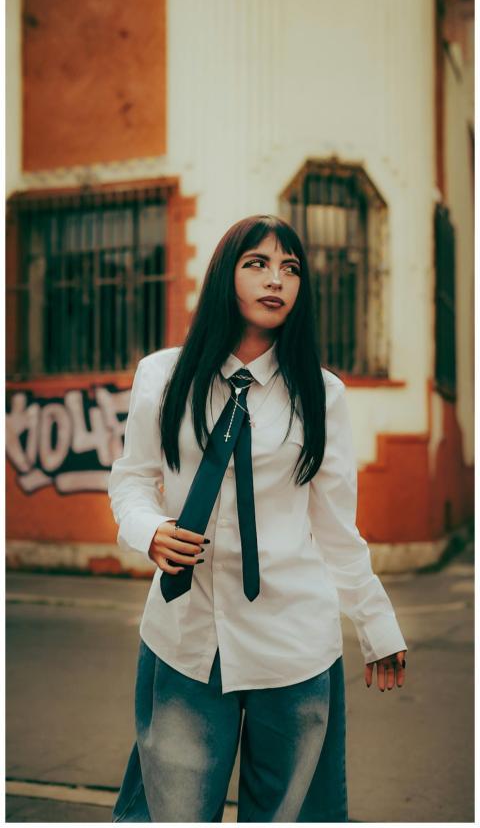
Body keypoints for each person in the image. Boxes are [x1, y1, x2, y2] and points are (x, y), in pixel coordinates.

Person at [108, 214, 408, 823]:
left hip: (293, 640)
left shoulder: (321, 395)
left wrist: (375, 621)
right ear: (227, 275)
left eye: (290, 268)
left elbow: (333, 525)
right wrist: (149, 532)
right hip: (186, 634)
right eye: (258, 264)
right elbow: (134, 479)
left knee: (289, 814)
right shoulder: (163, 377)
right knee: (172, 811)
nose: (276, 280)